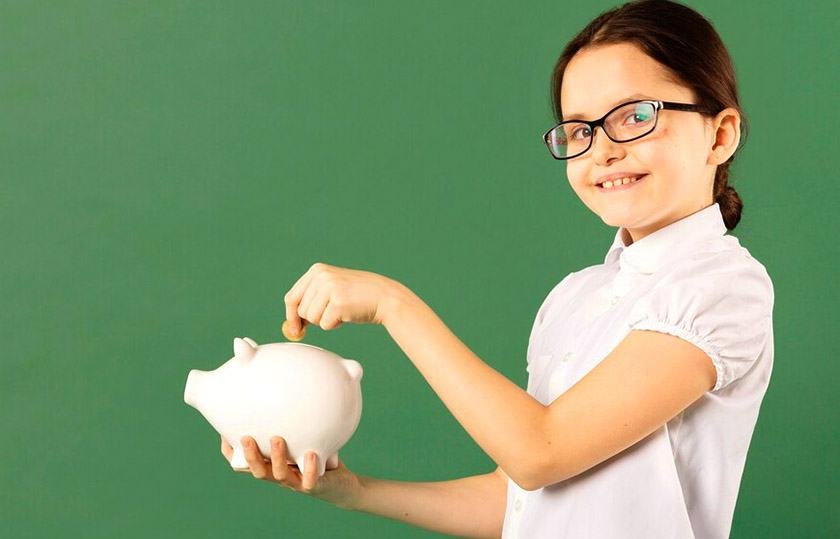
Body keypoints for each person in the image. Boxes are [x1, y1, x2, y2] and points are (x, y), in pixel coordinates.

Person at [221, 1, 774, 537]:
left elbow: (541, 452)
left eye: (635, 116)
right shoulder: (575, 295)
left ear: (720, 134)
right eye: (579, 129)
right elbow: (517, 500)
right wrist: (352, 490)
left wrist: (395, 306)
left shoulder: (723, 287)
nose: (601, 150)